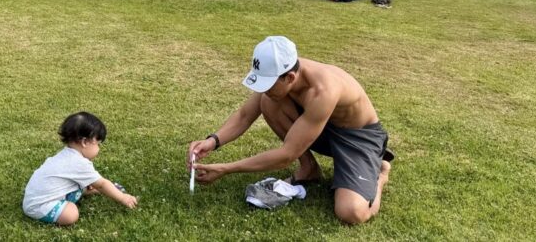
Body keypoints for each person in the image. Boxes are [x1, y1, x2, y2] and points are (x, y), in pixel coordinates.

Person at [188, 36, 392, 225]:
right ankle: (309, 169)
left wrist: (226, 169)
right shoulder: (282, 71)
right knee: (268, 101)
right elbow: (244, 115)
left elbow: (286, 156)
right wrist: (213, 140)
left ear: (290, 77)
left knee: (351, 212)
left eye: (268, 85)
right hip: (322, 125)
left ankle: (380, 175)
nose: (264, 89)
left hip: (358, 138)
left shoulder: (323, 91)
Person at [22, 112, 138, 226]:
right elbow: (101, 184)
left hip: (35, 198)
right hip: (40, 206)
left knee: (85, 185)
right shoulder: (78, 163)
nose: (99, 148)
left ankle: (87, 190)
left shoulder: (66, 155)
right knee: (71, 213)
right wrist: (123, 198)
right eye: (98, 144)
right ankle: (85, 194)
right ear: (84, 142)